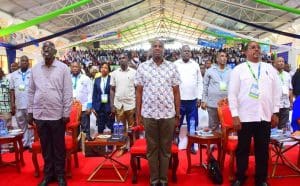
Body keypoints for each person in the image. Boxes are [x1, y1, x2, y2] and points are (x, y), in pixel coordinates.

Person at [228, 41, 281, 186]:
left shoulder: (269, 69)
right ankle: (240, 177)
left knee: (262, 150)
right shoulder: (238, 70)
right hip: (244, 117)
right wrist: (235, 115)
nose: (256, 49)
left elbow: (277, 91)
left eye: (258, 47)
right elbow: (232, 94)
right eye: (252, 47)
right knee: (242, 150)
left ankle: (261, 179)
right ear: (245, 52)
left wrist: (275, 112)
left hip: (264, 116)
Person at [135, 39, 181, 186]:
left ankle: (164, 179)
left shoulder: (172, 67)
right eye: (154, 46)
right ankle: (154, 180)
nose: (157, 48)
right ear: (150, 49)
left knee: (166, 149)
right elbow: (139, 93)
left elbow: (176, 92)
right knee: (152, 149)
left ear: (164, 50)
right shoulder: (142, 67)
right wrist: (138, 114)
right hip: (149, 114)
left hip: (168, 114)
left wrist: (177, 114)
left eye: (160, 46)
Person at [27, 41, 73, 186]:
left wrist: (66, 112)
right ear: (42, 52)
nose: (46, 51)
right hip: (40, 114)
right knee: (46, 147)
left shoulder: (63, 68)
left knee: (58, 147)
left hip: (57, 115)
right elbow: (31, 91)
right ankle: (48, 175)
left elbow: (67, 92)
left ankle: (60, 175)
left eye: (49, 49)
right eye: (44, 49)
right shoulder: (35, 69)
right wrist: (30, 111)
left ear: (54, 51)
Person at [174, 45, 202, 154]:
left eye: (188, 51)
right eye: (184, 51)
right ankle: (175, 142)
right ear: (181, 52)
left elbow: (200, 81)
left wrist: (199, 97)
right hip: (179, 101)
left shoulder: (195, 65)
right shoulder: (175, 64)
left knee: (193, 124)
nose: (186, 53)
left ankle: (191, 144)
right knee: (177, 123)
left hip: (193, 100)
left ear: (191, 53)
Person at [110, 53, 136, 155]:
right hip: (118, 104)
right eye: (120, 58)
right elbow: (112, 89)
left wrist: (138, 106)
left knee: (132, 128)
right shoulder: (114, 73)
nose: (122, 60)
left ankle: (133, 147)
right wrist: (112, 105)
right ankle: (121, 147)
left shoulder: (134, 72)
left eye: (124, 58)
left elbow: (137, 89)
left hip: (131, 104)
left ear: (128, 59)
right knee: (119, 128)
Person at [202, 52, 231, 131]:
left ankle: (223, 143)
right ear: (217, 59)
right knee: (213, 127)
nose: (224, 58)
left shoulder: (231, 71)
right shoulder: (210, 71)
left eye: (225, 56)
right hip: (212, 103)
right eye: (222, 56)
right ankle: (215, 143)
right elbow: (205, 86)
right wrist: (204, 100)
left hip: (226, 104)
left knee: (226, 127)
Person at [10, 55, 33, 149]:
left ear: (28, 62)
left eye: (25, 61)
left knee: (31, 124)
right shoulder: (14, 75)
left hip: (30, 104)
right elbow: (11, 90)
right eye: (22, 61)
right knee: (21, 124)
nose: (23, 62)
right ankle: (25, 143)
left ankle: (31, 143)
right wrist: (12, 104)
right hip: (19, 104)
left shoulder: (33, 73)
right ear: (19, 63)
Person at [70, 62, 93, 141]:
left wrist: (89, 106)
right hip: (72, 109)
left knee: (85, 129)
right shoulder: (68, 78)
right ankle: (76, 147)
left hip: (84, 107)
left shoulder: (86, 78)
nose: (75, 68)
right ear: (70, 68)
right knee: (74, 129)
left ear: (80, 68)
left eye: (76, 67)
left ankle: (85, 147)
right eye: (73, 67)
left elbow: (90, 92)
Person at [92, 62, 114, 134]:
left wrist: (113, 107)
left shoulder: (111, 79)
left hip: (109, 107)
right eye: (102, 67)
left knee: (111, 128)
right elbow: (94, 94)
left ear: (109, 70)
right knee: (100, 128)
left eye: (106, 68)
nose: (103, 69)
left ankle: (111, 145)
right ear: (100, 69)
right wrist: (94, 107)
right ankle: (101, 145)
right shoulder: (97, 80)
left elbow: (114, 93)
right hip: (99, 107)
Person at [273, 57, 293, 129]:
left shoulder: (287, 75)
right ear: (274, 63)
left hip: (285, 104)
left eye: (282, 61)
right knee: (273, 126)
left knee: (283, 127)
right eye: (279, 61)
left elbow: (290, 89)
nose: (281, 63)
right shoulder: (272, 74)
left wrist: (291, 102)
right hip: (275, 105)